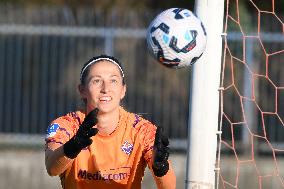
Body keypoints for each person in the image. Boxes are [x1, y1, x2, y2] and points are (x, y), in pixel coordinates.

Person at [45, 54, 176, 189]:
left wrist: (161, 168)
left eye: (113, 81)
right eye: (96, 81)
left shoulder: (142, 130)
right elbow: (51, 168)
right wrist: (73, 145)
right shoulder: (67, 125)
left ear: (123, 90)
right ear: (82, 90)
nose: (105, 89)